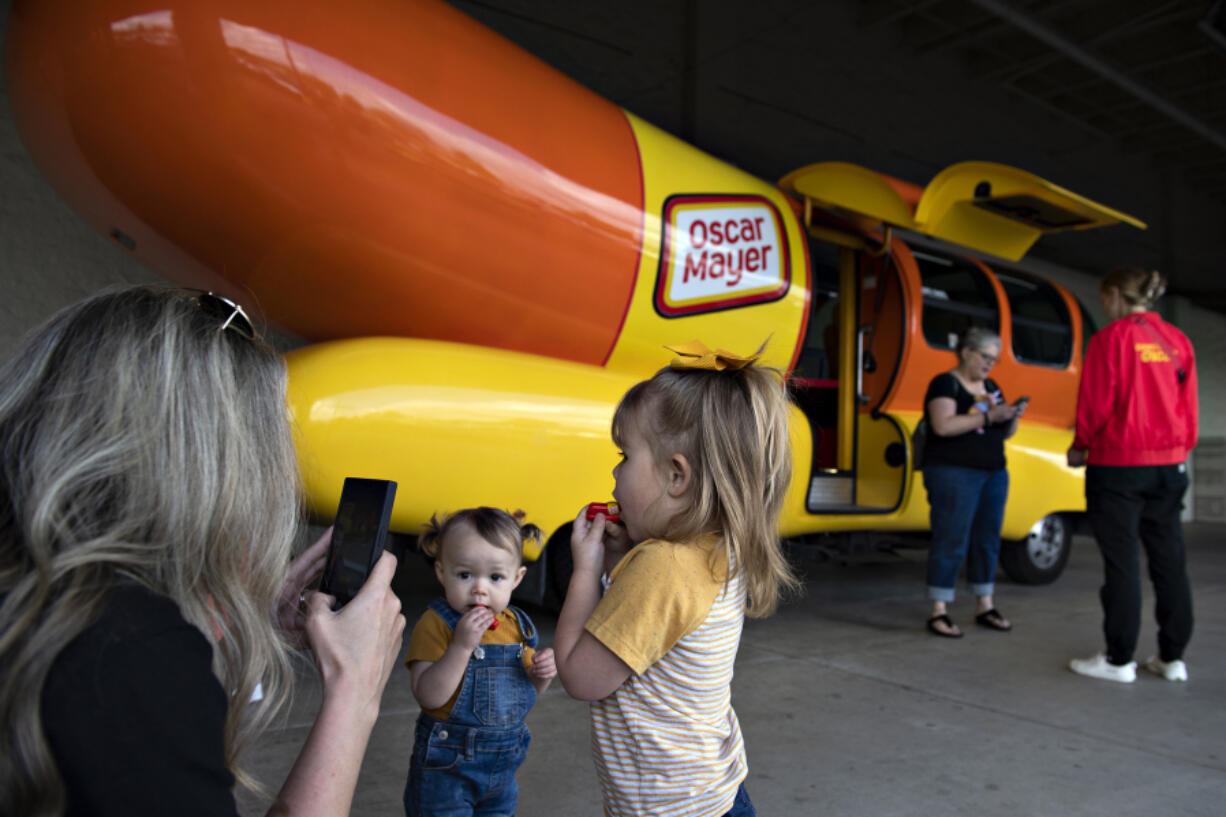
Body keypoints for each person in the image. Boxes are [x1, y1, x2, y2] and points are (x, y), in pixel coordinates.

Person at [0, 287, 406, 817]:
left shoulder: (53, 606)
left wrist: (239, 624)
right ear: (210, 471)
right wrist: (354, 691)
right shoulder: (128, 658)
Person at [553, 341, 799, 817]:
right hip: (712, 795)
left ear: (676, 477)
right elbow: (649, 635)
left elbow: (581, 677)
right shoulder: (715, 549)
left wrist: (583, 571)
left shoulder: (661, 567)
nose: (614, 472)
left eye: (624, 456)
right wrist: (616, 561)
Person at [1067, 267, 1198, 683]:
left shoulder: (1111, 339)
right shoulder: (1178, 341)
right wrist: (1174, 451)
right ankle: (1171, 658)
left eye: (1104, 300)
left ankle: (1118, 659)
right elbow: (1188, 411)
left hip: (1119, 467)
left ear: (1112, 295)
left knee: (1121, 565)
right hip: (1170, 466)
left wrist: (1080, 445)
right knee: (1170, 562)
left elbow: (1097, 403)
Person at [403, 507, 556, 817]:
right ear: (441, 572)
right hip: (446, 770)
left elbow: (522, 695)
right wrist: (461, 646)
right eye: (465, 575)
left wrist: (541, 674)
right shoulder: (437, 624)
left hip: (502, 772)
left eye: (495, 577)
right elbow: (428, 695)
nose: (480, 588)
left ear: (516, 578)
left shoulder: (517, 626)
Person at [920, 326, 1025, 638]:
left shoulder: (991, 386)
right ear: (966, 352)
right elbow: (942, 425)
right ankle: (939, 609)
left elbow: (1004, 432)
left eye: (994, 359)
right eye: (985, 357)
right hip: (954, 471)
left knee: (988, 537)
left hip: (993, 471)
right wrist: (990, 417)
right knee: (951, 537)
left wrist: (1012, 416)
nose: (990, 364)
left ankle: (985, 603)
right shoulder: (946, 383)